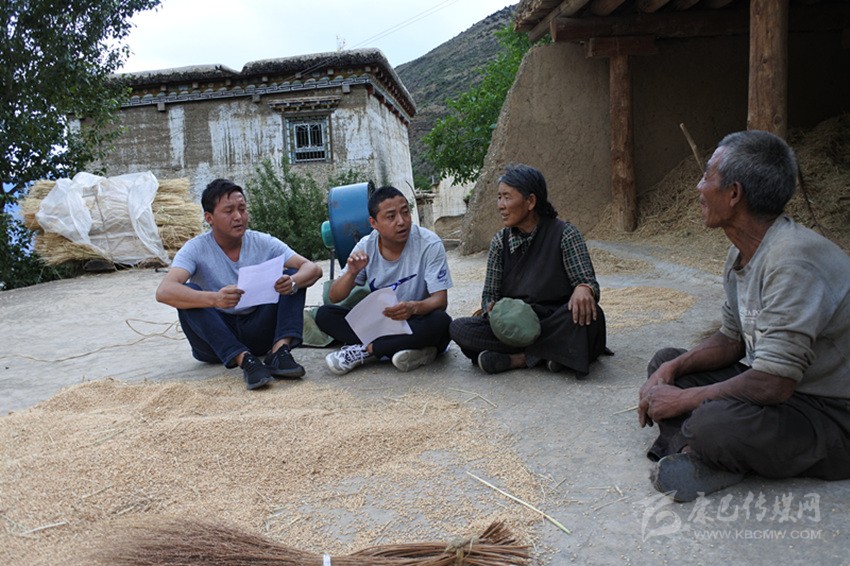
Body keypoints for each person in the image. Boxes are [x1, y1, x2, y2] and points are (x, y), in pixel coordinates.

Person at [638, 130, 850, 502]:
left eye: (707, 176)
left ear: (733, 194)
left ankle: (701, 450)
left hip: (830, 410)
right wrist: (673, 370)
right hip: (782, 390)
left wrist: (683, 401)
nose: (699, 187)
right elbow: (731, 339)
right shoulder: (742, 253)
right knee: (665, 362)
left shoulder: (792, 261)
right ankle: (702, 454)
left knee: (710, 423)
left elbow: (773, 384)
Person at [156, 178, 322, 390]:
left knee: (292, 277)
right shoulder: (195, 249)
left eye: (242, 209)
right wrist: (215, 299)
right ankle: (245, 360)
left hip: (259, 332)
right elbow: (164, 291)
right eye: (229, 211)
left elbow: (312, 268)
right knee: (188, 293)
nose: (238, 217)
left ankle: (279, 353)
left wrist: (292, 282)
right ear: (209, 218)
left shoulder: (262, 242)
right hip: (214, 343)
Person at [449, 164, 607, 377]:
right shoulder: (500, 242)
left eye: (507, 197)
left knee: (591, 318)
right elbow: (489, 295)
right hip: (517, 326)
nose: (500, 206)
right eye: (499, 197)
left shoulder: (565, 234)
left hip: (556, 320)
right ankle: (553, 355)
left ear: (531, 201)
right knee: (459, 329)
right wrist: (492, 310)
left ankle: (519, 359)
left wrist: (584, 288)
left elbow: (588, 283)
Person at [316, 186, 452, 375]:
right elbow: (334, 296)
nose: (401, 221)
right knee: (324, 315)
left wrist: (413, 307)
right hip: (381, 323)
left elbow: (440, 301)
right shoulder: (366, 246)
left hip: (416, 319)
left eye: (405, 212)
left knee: (441, 322)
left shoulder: (429, 244)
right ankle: (409, 349)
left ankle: (368, 350)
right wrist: (351, 273)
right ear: (374, 223)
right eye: (391, 216)